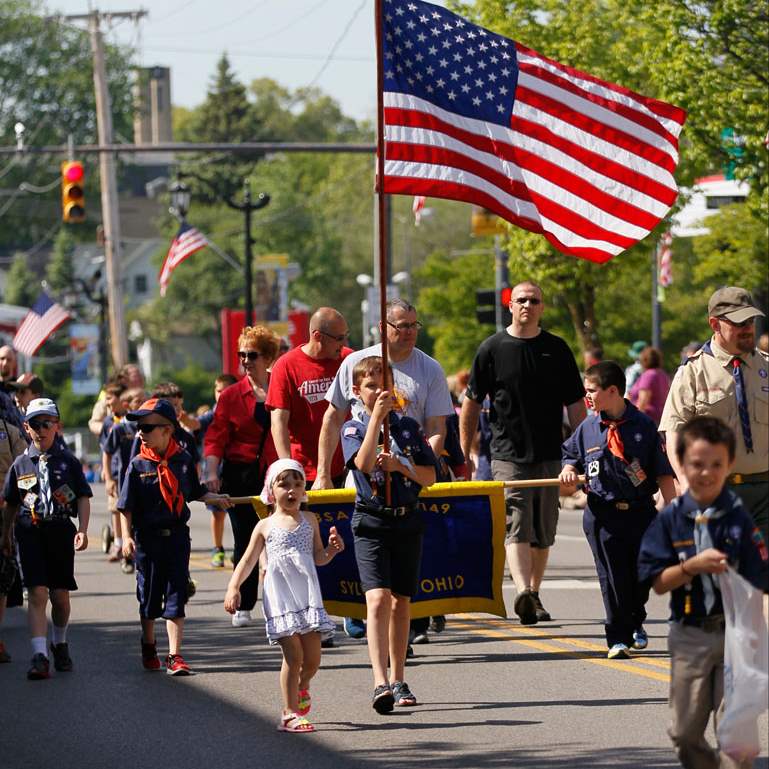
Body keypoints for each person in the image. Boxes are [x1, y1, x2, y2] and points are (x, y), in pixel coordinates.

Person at [314, 299, 453, 643]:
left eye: (413, 326)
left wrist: (420, 466)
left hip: (408, 475)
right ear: (383, 327)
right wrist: (321, 472)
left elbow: (436, 427)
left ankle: (411, 627)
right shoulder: (355, 364)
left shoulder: (430, 369)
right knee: (361, 547)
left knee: (408, 557)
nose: (408, 333)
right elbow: (333, 418)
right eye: (400, 326)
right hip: (365, 474)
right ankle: (359, 613)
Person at [638, 416, 768, 769]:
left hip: (734, 636)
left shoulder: (739, 519)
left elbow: (759, 581)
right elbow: (658, 583)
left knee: (736, 737)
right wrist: (691, 567)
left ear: (729, 465)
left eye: (716, 464)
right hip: (689, 634)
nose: (707, 473)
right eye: (697, 464)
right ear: (681, 463)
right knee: (683, 732)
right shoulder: (671, 519)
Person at [460, 281, 586, 625]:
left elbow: (575, 405)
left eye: (534, 300)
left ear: (542, 307)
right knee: (517, 521)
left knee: (543, 527)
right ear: (510, 306)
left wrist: (584, 451)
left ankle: (535, 591)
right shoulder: (492, 348)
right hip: (506, 453)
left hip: (549, 452)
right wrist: (465, 450)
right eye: (521, 300)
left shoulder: (557, 349)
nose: (528, 305)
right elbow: (470, 402)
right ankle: (522, 591)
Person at [559, 361, 676, 658]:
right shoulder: (588, 427)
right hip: (602, 514)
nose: (587, 397)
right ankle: (617, 638)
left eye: (592, 391)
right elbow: (570, 454)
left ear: (612, 391)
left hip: (640, 513)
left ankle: (635, 620)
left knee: (642, 575)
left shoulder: (643, 426)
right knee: (611, 577)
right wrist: (569, 469)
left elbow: (662, 472)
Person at [342, 356, 437, 713]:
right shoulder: (352, 428)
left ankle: (399, 677)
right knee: (377, 599)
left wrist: (402, 466)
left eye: (384, 385)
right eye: (370, 386)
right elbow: (363, 465)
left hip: (406, 520)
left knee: (400, 601)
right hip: (371, 522)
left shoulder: (409, 427)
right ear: (357, 391)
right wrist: (376, 422)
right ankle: (379, 681)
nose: (378, 392)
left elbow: (429, 477)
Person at [224, 459, 343, 732]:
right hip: (280, 597)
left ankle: (302, 686)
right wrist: (234, 587)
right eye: (284, 484)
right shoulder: (264, 526)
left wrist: (333, 550)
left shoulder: (310, 520)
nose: (291, 490)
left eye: (298, 484)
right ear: (271, 490)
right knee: (293, 655)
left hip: (307, 597)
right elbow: (247, 561)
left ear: (304, 490)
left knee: (312, 659)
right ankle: (289, 713)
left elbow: (319, 557)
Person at [118, 398, 231, 676]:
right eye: (140, 427)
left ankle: (174, 655)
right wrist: (126, 538)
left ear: (167, 430)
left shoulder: (182, 459)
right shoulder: (138, 465)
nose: (141, 432)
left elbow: (194, 491)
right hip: (147, 540)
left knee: (176, 594)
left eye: (148, 427)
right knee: (148, 596)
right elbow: (126, 506)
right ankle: (148, 643)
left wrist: (215, 497)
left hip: (178, 538)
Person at [660, 287, 769, 543]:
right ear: (714, 324)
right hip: (717, 490)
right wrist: (685, 481)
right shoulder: (693, 372)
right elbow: (673, 432)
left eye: (751, 321)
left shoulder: (766, 366)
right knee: (724, 572)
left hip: (765, 492)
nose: (748, 328)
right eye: (739, 322)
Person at [1, 398, 92, 680]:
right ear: (26, 428)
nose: (41, 430)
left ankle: (59, 642)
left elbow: (84, 497)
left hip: (60, 530)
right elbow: (11, 503)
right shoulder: (20, 463)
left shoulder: (68, 462)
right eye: (34, 424)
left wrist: (83, 529)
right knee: (37, 593)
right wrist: (6, 533)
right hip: (30, 532)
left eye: (46, 424)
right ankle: (39, 655)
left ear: (57, 426)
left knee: (60, 597)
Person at [204, 326, 279, 628]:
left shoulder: (281, 388)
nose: (246, 361)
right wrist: (211, 471)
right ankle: (244, 603)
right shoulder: (232, 396)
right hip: (240, 474)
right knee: (246, 539)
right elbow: (216, 436)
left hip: (276, 475)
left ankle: (278, 602)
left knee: (280, 539)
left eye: (252, 355)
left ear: (268, 357)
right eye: (242, 355)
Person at [267, 307, 352, 488]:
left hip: (347, 468)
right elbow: (278, 422)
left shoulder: (349, 360)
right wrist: (288, 467)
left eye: (346, 335)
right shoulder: (286, 365)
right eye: (339, 338)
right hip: (303, 473)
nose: (344, 342)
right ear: (317, 335)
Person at [189, 374, 238, 567]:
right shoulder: (213, 413)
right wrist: (180, 416)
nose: (222, 394)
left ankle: (239, 548)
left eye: (226, 390)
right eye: (219, 391)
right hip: (216, 471)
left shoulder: (242, 409)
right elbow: (195, 424)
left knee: (239, 512)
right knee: (218, 512)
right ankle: (217, 548)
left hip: (238, 469)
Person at [0, 407, 28, 662]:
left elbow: (27, 476)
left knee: (2, 576)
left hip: (4, 516)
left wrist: (31, 506)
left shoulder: (11, 434)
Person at [99, 379, 129, 566]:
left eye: (110, 399)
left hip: (130, 471)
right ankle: (118, 543)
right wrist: (107, 474)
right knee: (116, 508)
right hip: (116, 473)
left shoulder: (134, 419)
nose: (107, 403)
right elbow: (105, 450)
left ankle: (130, 541)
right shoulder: (108, 422)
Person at [629, 346, 671, 426]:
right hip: (659, 418)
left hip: (647, 419)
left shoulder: (648, 375)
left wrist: (633, 419)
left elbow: (643, 400)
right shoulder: (662, 374)